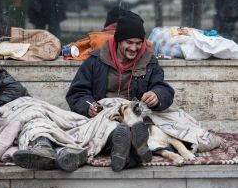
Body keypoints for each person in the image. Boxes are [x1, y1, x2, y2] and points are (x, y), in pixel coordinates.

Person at [66, 11, 175, 171]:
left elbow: (163, 88)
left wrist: (157, 95)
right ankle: (132, 150)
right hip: (105, 116)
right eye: (129, 42)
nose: (134, 48)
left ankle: (126, 149)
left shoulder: (149, 61)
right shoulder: (96, 60)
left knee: (155, 124)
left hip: (135, 117)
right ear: (118, 40)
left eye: (138, 43)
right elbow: (77, 93)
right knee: (111, 129)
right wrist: (89, 106)